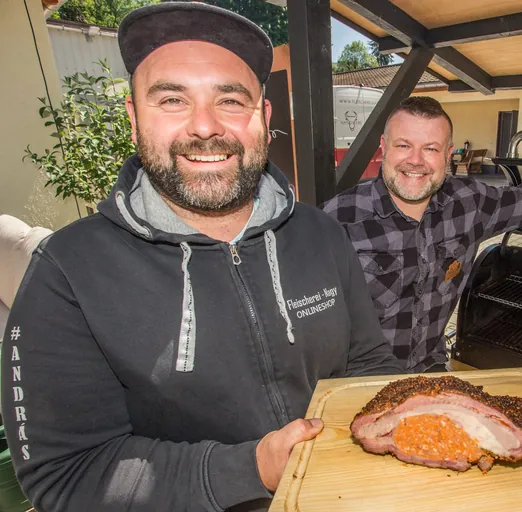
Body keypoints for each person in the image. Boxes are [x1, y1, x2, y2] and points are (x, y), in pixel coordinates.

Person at [1, 4, 402, 511]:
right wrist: (252, 469)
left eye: (230, 100)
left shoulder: (320, 234)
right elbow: (65, 475)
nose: (205, 126)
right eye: (172, 99)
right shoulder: (67, 271)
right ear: (133, 118)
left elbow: (368, 363)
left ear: (264, 119)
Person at [323, 97, 522, 373]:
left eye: (431, 148)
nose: (415, 160)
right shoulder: (339, 217)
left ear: (448, 154)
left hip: (429, 369)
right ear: (384, 146)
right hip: (357, 378)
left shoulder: (469, 203)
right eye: (403, 145)